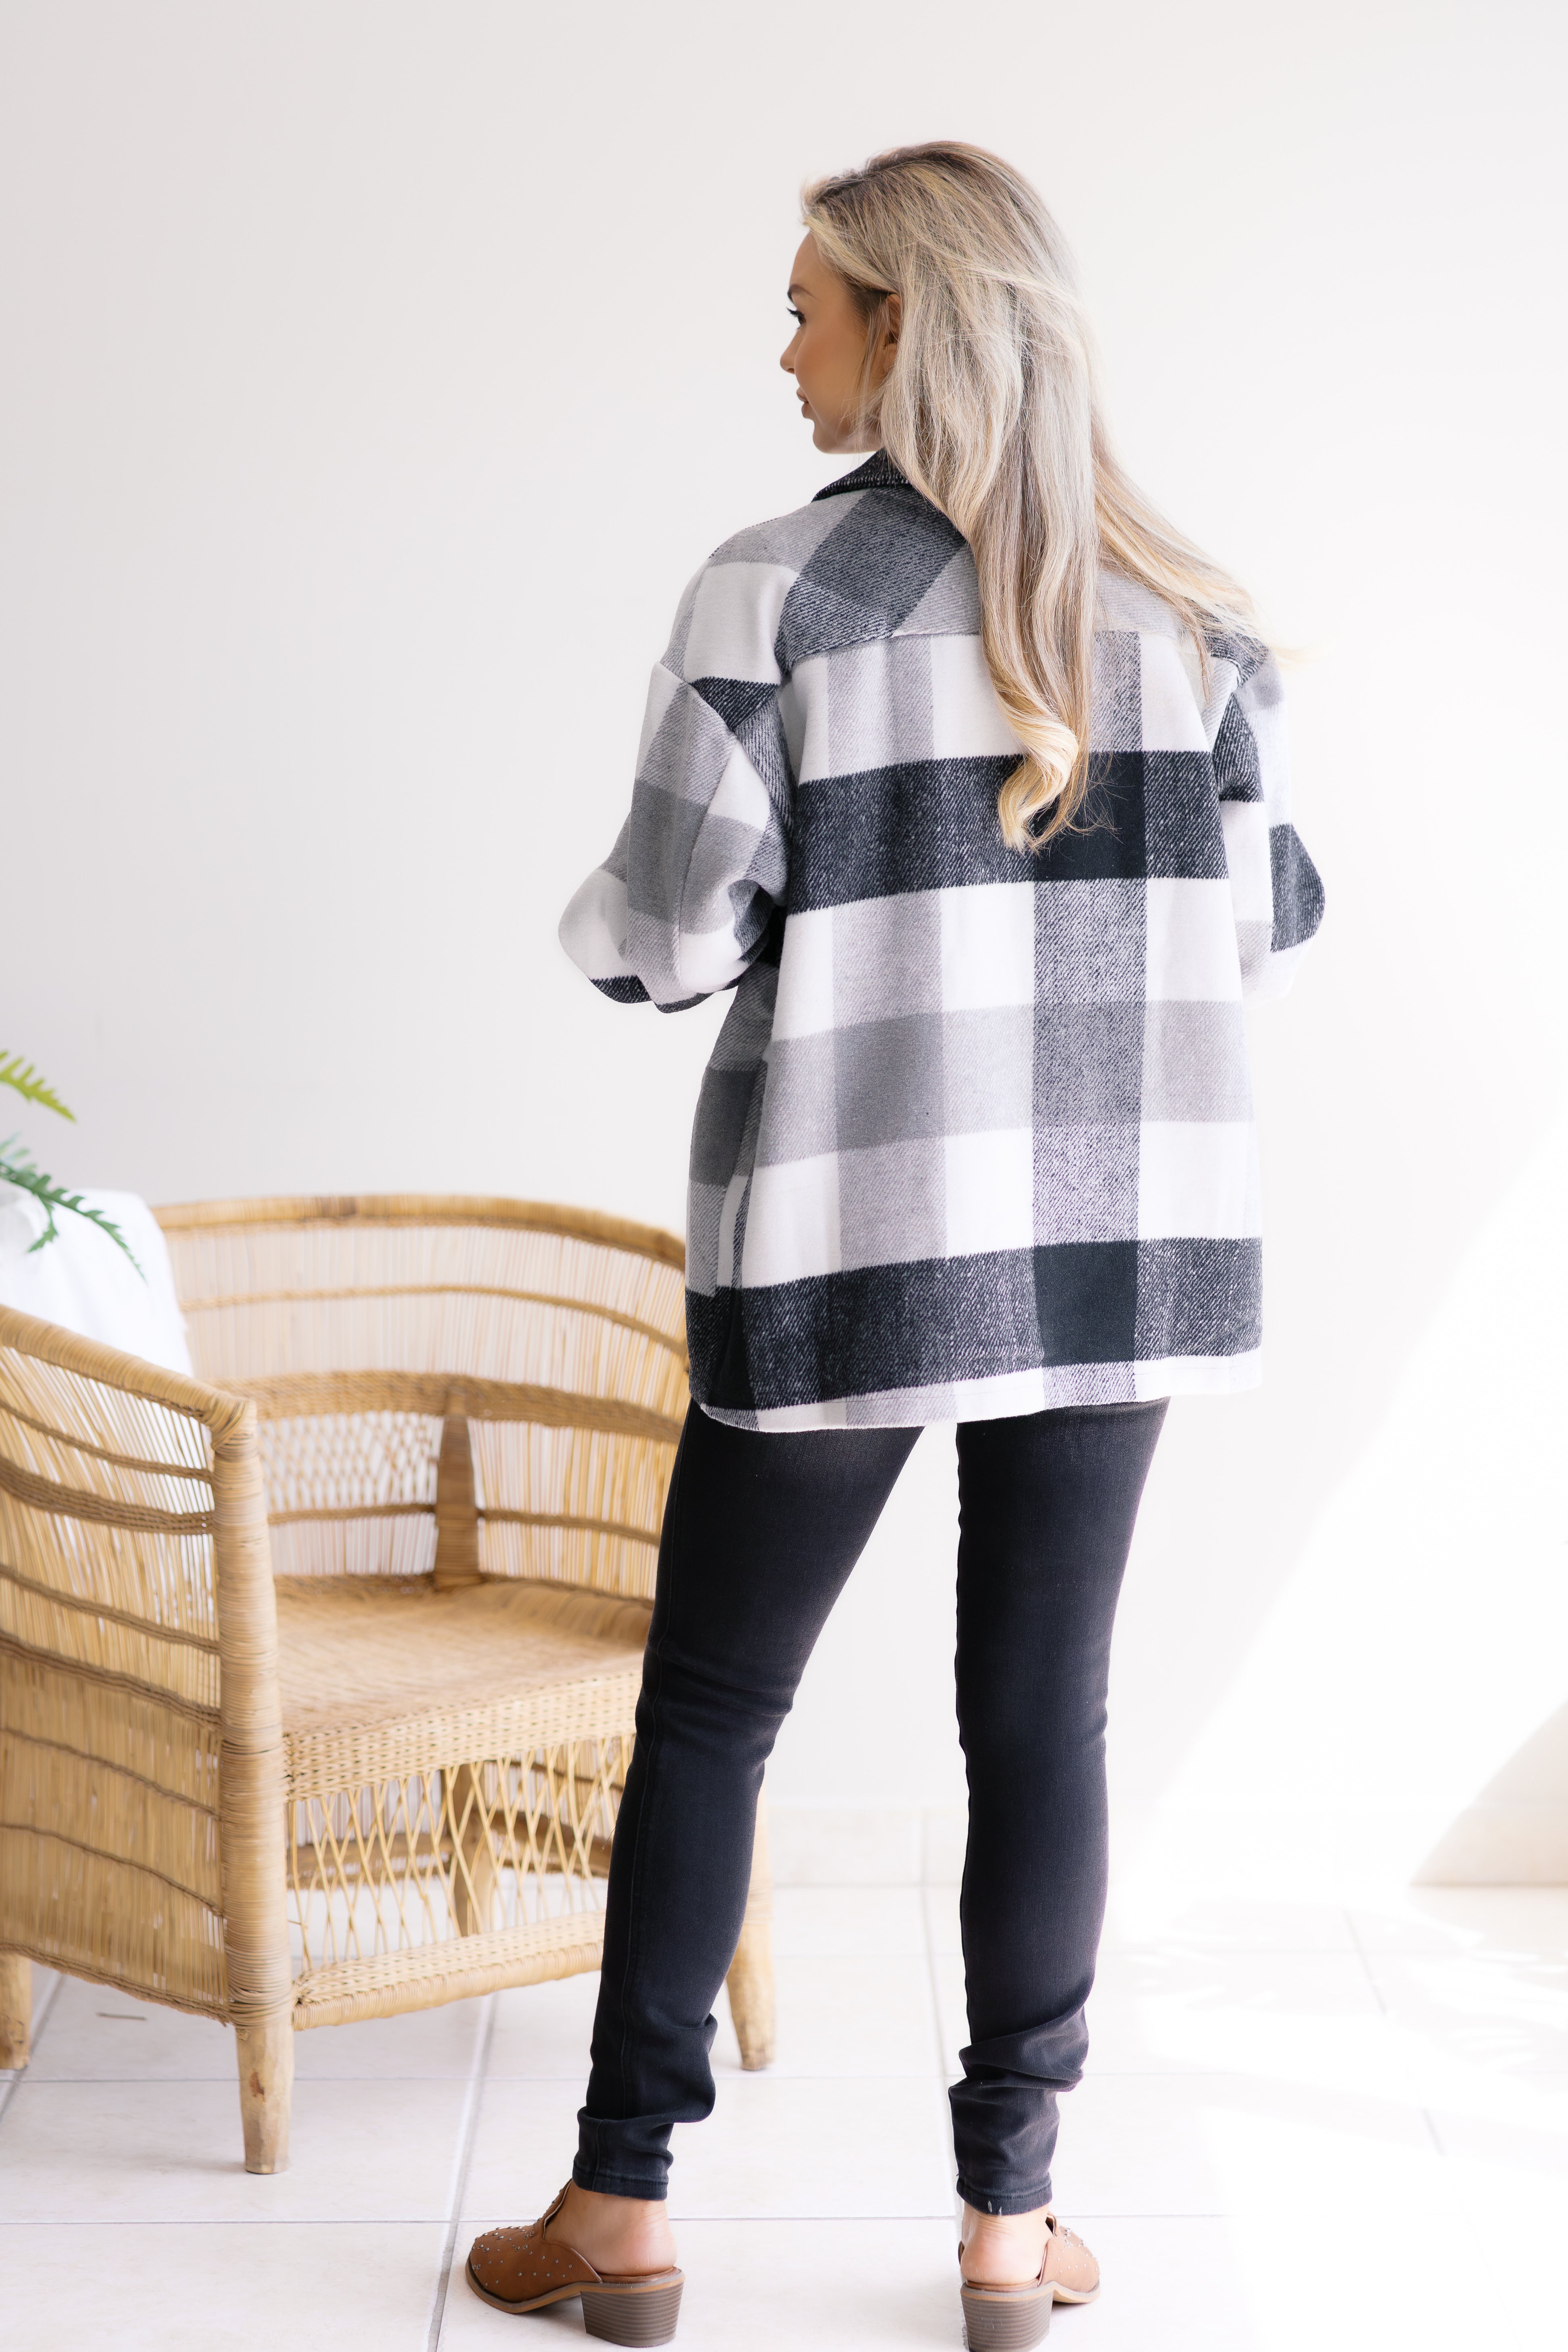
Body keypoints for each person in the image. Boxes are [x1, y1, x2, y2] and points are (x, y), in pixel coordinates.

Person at [466, 140, 1323, 2348]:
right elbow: (1261, 925)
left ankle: (622, 2211)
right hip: (1121, 1247)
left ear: (906, 328)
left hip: (853, 1234)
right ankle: (1011, 2233)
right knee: (1041, 1715)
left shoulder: (777, 596)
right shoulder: (1197, 619)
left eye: (807, 311)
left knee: (713, 1708)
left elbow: (666, 942)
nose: (784, 354)